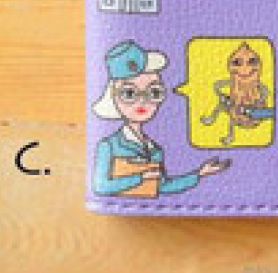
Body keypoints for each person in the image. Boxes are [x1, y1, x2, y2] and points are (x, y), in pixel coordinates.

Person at [92, 40, 228, 197]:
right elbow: (100, 187)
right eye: (129, 93)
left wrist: (200, 173)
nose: (142, 101)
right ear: (113, 96)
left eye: (154, 92)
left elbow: (162, 187)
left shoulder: (154, 150)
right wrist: (141, 178)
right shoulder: (108, 145)